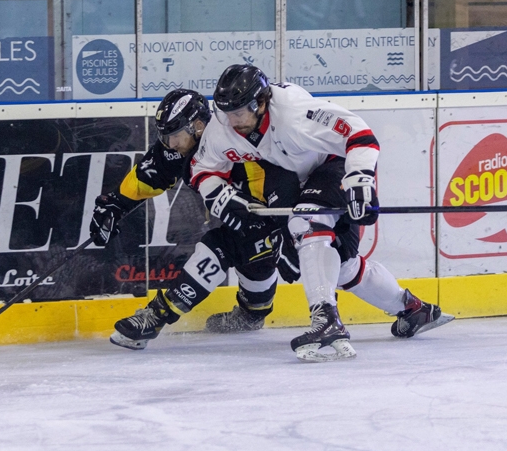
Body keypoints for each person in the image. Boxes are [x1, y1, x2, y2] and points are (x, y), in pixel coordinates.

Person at [190, 65, 454, 362]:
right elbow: (203, 168)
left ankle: (325, 320)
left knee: (307, 223)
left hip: (334, 165)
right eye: (227, 113)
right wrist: (218, 194)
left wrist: (359, 181)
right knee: (341, 267)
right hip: (294, 177)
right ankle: (414, 310)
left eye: (239, 113)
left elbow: (361, 136)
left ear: (260, 103)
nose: (232, 121)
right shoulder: (224, 125)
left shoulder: (295, 113)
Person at [89, 89, 301, 350]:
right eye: (165, 137)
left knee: (223, 249)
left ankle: (159, 315)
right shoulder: (179, 149)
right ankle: (246, 315)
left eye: (174, 136)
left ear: (198, 126)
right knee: (240, 269)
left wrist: (284, 228)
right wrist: (114, 204)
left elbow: (282, 185)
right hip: (244, 226)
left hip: (273, 220)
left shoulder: (238, 140)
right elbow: (149, 173)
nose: (170, 144)